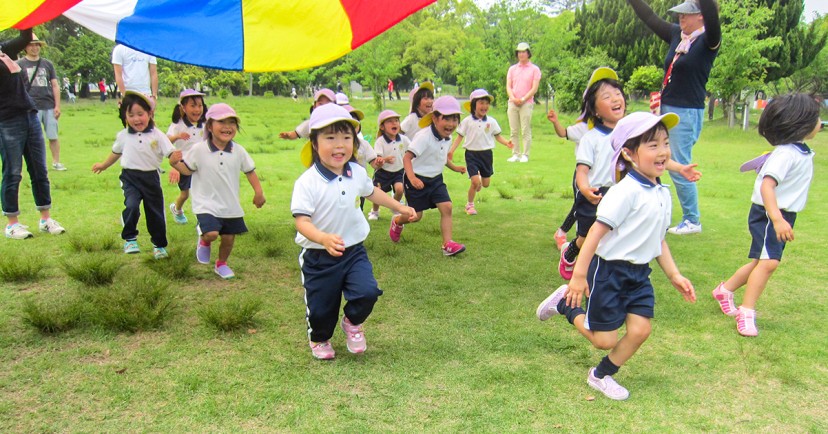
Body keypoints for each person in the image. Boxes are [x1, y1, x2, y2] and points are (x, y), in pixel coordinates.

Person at [536, 111, 696, 401]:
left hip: (639, 275)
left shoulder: (662, 192)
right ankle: (564, 304)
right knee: (604, 339)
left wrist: (674, 275)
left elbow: (658, 239)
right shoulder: (625, 192)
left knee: (640, 329)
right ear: (629, 153)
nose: (663, 152)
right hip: (609, 272)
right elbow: (595, 235)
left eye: (665, 143)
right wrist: (578, 277)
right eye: (653, 145)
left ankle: (600, 375)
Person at [291, 104, 415, 359]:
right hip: (318, 256)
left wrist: (398, 206)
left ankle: (352, 322)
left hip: (353, 250)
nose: (340, 145)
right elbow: (301, 222)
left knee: (367, 292)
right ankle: (320, 338)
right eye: (331, 138)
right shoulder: (307, 182)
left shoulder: (357, 172)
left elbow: (372, 192)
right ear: (314, 143)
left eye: (347, 138)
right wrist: (323, 238)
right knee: (321, 306)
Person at [712, 94, 820, 337]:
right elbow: (766, 186)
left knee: (761, 261)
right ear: (799, 123)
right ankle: (746, 311)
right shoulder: (786, 154)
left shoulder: (799, 150)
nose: (819, 122)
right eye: (815, 118)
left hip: (782, 214)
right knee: (769, 262)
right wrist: (777, 219)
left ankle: (724, 290)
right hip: (770, 215)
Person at [628, 0, 721, 235]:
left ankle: (692, 220)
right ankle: (654, 209)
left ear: (701, 16)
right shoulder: (677, 36)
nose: (681, 19)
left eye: (687, 15)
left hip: (687, 111)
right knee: (653, 155)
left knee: (677, 162)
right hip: (666, 107)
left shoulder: (709, 40)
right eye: (679, 15)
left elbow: (712, 12)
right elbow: (649, 17)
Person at [170, 103, 265, 279]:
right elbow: (187, 170)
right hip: (205, 203)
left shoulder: (238, 150)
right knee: (212, 233)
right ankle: (204, 240)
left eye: (232, 122)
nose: (227, 127)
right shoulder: (199, 149)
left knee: (228, 239)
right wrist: (175, 163)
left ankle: (221, 264)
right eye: (221, 122)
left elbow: (250, 171)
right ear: (210, 126)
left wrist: (258, 192)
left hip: (230, 204)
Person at [92, 91, 179, 259]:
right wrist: (103, 165)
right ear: (125, 116)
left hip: (151, 178)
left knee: (155, 213)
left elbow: (171, 153)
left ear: (150, 113)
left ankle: (159, 245)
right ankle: (130, 238)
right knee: (131, 205)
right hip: (130, 177)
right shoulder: (123, 136)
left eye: (140, 114)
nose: (136, 119)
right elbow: (115, 153)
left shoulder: (158, 135)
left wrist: (176, 162)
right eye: (131, 115)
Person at [557, 71, 628, 280]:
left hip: (619, 194)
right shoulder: (590, 138)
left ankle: (599, 273)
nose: (615, 98)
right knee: (586, 236)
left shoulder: (631, 134)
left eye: (617, 93)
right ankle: (571, 252)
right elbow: (582, 170)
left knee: (613, 234)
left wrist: (678, 168)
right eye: (606, 96)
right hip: (593, 193)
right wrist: (585, 189)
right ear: (595, 111)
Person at [0, 29, 65, 240]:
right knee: (13, 172)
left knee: (39, 170)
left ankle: (45, 219)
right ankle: (12, 224)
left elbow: (25, 37)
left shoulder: (4, 49)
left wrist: (27, 15)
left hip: (29, 115)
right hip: (7, 120)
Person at [390, 96, 467, 256]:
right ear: (434, 118)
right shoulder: (424, 136)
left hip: (436, 180)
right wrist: (412, 179)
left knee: (447, 207)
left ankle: (447, 244)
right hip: (416, 178)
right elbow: (407, 158)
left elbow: (442, 157)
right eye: (446, 118)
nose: (451, 124)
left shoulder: (447, 137)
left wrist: (455, 167)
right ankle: (397, 221)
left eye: (454, 119)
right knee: (415, 216)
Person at [547, 68, 613, 250]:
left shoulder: (619, 130)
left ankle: (573, 241)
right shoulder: (584, 129)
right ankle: (566, 238)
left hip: (605, 182)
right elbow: (563, 133)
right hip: (584, 178)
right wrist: (555, 122)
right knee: (580, 209)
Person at [448, 89, 514, 215]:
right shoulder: (467, 121)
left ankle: (479, 180)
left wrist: (506, 143)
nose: (484, 106)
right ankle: (470, 205)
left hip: (486, 155)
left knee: (486, 183)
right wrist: (451, 151)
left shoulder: (491, 121)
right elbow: (459, 137)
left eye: (486, 103)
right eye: (481, 103)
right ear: (474, 105)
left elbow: (497, 136)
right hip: (471, 154)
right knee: (474, 182)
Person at [16, 34, 66, 171]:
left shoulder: (47, 64)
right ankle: (37, 164)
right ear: (25, 47)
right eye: (32, 45)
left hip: (48, 105)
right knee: (32, 139)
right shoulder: (19, 64)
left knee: (53, 136)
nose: (35, 48)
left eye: (37, 45)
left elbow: (55, 85)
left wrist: (57, 105)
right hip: (30, 107)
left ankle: (56, 162)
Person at [166, 89, 207, 225]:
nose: (197, 109)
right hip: (183, 163)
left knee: (202, 192)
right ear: (183, 107)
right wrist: (177, 136)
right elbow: (167, 141)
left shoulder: (205, 124)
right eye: (193, 106)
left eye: (200, 105)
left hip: (201, 163)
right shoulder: (178, 124)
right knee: (185, 194)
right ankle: (177, 209)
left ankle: (203, 220)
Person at [369, 110, 409, 221]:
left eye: (396, 121)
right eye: (390, 121)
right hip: (383, 171)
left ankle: (395, 207)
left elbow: (412, 150)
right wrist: (384, 160)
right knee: (378, 192)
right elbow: (378, 158)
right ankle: (375, 211)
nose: (394, 123)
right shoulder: (380, 141)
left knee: (400, 190)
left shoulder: (404, 139)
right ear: (382, 127)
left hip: (399, 171)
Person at [506, 42, 541, 163]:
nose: (521, 54)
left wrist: (522, 99)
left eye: (523, 52)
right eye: (519, 52)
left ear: (528, 53)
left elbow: (534, 88)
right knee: (513, 130)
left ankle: (525, 154)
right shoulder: (512, 69)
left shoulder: (534, 69)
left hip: (526, 103)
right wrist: (513, 98)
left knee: (525, 129)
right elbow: (509, 86)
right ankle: (515, 154)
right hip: (513, 102)